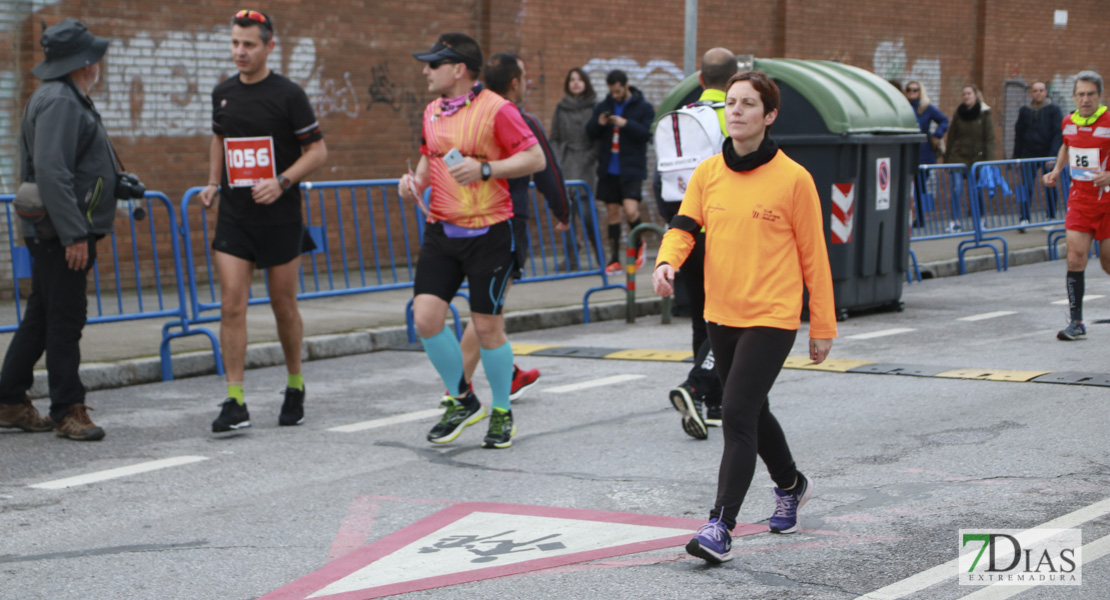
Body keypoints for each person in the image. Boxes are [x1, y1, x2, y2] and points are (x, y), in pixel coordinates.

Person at [652, 71, 837, 563]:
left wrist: (821, 326)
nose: (735, 110)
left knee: (734, 411)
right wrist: (667, 260)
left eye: (747, 104)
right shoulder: (709, 172)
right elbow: (684, 227)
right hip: (722, 312)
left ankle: (720, 526)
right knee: (753, 409)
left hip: (773, 315)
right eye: (731, 102)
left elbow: (814, 256)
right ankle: (792, 485)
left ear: (769, 115)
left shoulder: (794, 179)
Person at [399, 33, 545, 449]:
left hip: (490, 233)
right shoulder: (432, 112)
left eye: (433, 64)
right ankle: (463, 398)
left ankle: (502, 410)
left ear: (458, 69)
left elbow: (534, 157)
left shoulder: (497, 109)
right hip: (442, 230)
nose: (425, 71)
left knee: (486, 328)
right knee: (425, 317)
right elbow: (429, 160)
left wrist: (486, 170)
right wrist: (411, 182)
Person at [199, 9, 328, 432]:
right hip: (236, 217)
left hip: (279, 217)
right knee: (231, 304)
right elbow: (220, 137)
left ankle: (294, 385)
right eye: (235, 43)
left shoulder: (288, 94)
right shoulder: (223, 92)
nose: (240, 51)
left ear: (269, 46)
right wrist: (213, 182)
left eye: (249, 44)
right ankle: (234, 400)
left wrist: (283, 181)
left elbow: (318, 151)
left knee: (282, 306)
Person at [0, 19, 118, 441]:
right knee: (65, 319)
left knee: (43, 314)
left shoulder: (63, 96)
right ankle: (68, 409)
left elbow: (72, 165)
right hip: (59, 232)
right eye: (95, 57)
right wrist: (74, 234)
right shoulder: (62, 101)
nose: (99, 63)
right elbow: (52, 172)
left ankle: (10, 398)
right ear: (83, 63)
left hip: (55, 229)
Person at [453, 52, 571, 401]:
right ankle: (457, 387)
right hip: (504, 223)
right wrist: (563, 210)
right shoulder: (519, 118)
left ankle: (511, 373)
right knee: (487, 310)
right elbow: (548, 170)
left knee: (490, 307)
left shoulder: (468, 115)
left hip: (467, 219)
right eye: (525, 76)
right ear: (515, 83)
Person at [657, 47, 737, 440]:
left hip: (685, 230)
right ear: (734, 80)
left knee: (700, 317)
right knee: (727, 318)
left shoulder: (682, 117)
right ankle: (700, 388)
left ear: (701, 79)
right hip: (724, 234)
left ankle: (711, 402)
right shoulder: (735, 119)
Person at [1043, 71, 1110, 341]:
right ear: (1074, 96)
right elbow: (1067, 146)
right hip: (1080, 201)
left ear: (1100, 96)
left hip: (1107, 202)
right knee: (1074, 258)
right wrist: (1057, 170)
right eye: (1080, 94)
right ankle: (1076, 322)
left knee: (1108, 263)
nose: (1085, 99)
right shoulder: (1068, 121)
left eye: (1090, 94)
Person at [585, 70, 655, 275]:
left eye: (618, 91)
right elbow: (590, 133)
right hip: (609, 168)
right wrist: (599, 123)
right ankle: (614, 259)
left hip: (631, 167)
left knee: (631, 210)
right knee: (613, 213)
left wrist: (625, 124)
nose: (615, 95)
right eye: (612, 92)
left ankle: (638, 244)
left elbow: (646, 134)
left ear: (626, 86)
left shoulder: (643, 107)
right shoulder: (603, 106)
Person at [550, 67, 601, 267]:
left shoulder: (595, 107)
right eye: (572, 80)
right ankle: (571, 258)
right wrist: (558, 159)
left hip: (587, 165)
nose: (576, 83)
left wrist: (589, 157)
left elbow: (599, 138)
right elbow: (554, 137)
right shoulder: (561, 107)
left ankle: (600, 256)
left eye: (580, 79)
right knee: (566, 213)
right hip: (566, 162)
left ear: (586, 83)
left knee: (588, 215)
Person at [944, 84, 995, 232]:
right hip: (958, 156)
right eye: (964, 94)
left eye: (969, 93)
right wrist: (947, 160)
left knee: (977, 190)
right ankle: (955, 222)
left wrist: (990, 161)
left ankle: (981, 220)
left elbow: (990, 138)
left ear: (976, 95)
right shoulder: (959, 113)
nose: (966, 96)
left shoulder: (985, 113)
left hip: (977, 158)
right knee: (956, 189)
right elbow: (952, 136)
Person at [1014, 81, 1064, 225]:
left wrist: (1053, 156)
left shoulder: (1054, 109)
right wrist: (1016, 157)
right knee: (1026, 187)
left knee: (1049, 185)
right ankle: (1024, 218)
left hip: (1047, 153)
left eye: (1041, 90)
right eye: (1035, 90)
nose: (1038, 93)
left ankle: (1051, 217)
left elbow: (1057, 134)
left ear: (1046, 92)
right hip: (1028, 154)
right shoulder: (1024, 111)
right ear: (1031, 93)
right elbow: (1019, 134)